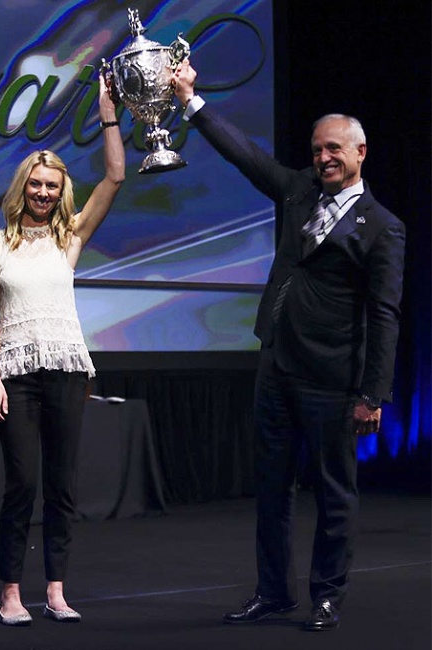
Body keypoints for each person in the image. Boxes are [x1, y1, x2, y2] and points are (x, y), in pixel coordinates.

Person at [172, 61, 405, 631]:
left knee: (333, 494)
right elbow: (247, 156)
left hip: (332, 378)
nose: (322, 158)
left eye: (333, 149)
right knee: (272, 490)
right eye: (316, 149)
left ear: (360, 153)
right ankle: (273, 592)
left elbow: (385, 313)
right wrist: (191, 100)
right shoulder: (300, 189)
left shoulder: (383, 227)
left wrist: (372, 394)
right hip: (276, 366)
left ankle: (326, 595)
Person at [0, 74, 125, 626]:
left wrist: (109, 114)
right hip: (15, 375)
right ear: (22, 187)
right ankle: (11, 593)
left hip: (65, 371)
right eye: (35, 184)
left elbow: (114, 175)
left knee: (62, 484)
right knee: (23, 482)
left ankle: (56, 591)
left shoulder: (71, 238)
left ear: (61, 191)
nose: (43, 192)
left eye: (52, 186)